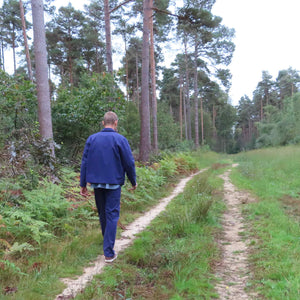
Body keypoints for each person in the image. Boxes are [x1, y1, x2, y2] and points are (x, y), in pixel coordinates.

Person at [80, 111, 137, 263]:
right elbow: (129, 163)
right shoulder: (120, 139)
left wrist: (83, 184)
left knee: (103, 215)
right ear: (116, 123)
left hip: (96, 183)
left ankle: (107, 245)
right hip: (114, 183)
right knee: (111, 214)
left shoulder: (92, 139)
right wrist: (133, 181)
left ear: (103, 122)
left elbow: (85, 162)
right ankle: (109, 252)